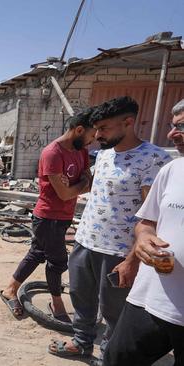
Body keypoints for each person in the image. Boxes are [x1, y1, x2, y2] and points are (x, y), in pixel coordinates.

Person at [48, 96, 172, 360]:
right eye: (97, 129)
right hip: (85, 241)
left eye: (104, 129)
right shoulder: (103, 155)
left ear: (128, 122)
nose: (98, 135)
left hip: (118, 251)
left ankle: (109, 355)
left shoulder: (154, 159)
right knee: (81, 297)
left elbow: (152, 217)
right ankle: (81, 342)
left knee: (115, 311)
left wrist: (132, 260)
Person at [103, 100, 184, 365]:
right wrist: (144, 238)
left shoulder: (153, 158)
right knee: (116, 359)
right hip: (150, 299)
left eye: (182, 126)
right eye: (174, 126)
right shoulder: (173, 170)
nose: (171, 135)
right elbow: (146, 220)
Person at [0, 108, 96, 320]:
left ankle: (10, 290)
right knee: (59, 262)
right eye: (91, 136)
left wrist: (76, 186)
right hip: (48, 217)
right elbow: (64, 193)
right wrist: (79, 184)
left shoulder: (81, 151)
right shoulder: (52, 153)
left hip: (64, 216)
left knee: (37, 253)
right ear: (79, 130)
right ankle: (57, 303)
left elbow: (89, 183)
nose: (93, 141)